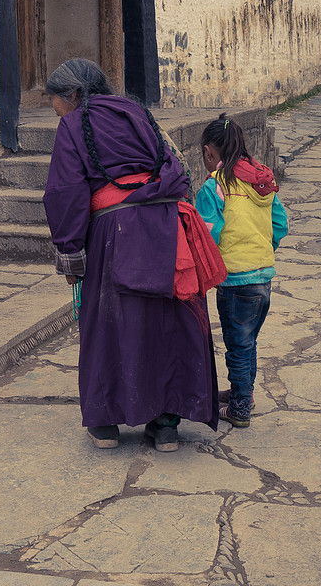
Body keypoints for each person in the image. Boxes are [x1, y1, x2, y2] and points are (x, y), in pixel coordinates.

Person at [42, 58, 223, 452]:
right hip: (164, 223)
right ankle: (165, 426)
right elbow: (174, 165)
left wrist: (70, 251)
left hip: (113, 232)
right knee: (166, 320)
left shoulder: (74, 124)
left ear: (74, 94)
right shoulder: (137, 112)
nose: (52, 107)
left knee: (110, 322)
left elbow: (65, 192)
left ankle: (106, 424)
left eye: (54, 98)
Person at [196, 116, 288, 428]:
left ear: (210, 153)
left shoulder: (215, 187)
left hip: (235, 281)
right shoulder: (262, 181)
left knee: (238, 346)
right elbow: (280, 225)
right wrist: (263, 250)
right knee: (249, 342)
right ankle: (242, 392)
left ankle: (239, 409)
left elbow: (207, 233)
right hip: (263, 277)